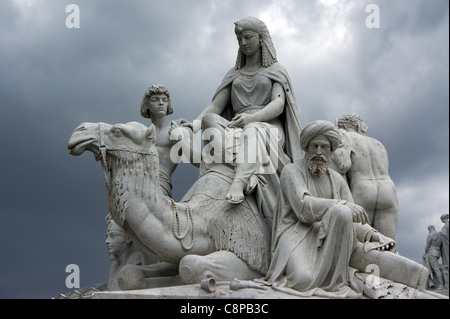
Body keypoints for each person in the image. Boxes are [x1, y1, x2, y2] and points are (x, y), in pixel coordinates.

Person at [263, 120, 428, 298]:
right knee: (302, 280)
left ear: (331, 150)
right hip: (298, 236)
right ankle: (344, 277)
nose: (318, 152)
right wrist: (340, 205)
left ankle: (339, 277)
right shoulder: (291, 171)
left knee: (343, 213)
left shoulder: (337, 179)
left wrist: (372, 234)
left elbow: (353, 217)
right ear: (306, 148)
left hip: (330, 238)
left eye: (324, 147)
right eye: (314, 146)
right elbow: (304, 207)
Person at [191, 17, 302, 217]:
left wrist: (252, 119)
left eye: (248, 37)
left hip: (267, 127)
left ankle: (239, 181)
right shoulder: (234, 74)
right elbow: (215, 106)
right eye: (240, 39)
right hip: (236, 126)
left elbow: (278, 105)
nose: (243, 42)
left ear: (261, 39)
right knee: (210, 122)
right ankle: (246, 169)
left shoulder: (275, 70)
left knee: (252, 130)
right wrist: (193, 125)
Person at [337, 112, 399, 239]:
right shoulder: (377, 143)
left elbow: (342, 166)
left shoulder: (344, 138)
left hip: (363, 188)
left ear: (342, 125)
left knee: (361, 245)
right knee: (389, 246)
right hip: (388, 189)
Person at [140, 84, 201, 197]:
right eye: (155, 99)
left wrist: (180, 139)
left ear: (169, 104)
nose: (161, 103)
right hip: (137, 184)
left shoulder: (180, 127)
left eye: (165, 100)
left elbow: (200, 162)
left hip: (160, 186)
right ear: (147, 104)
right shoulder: (142, 133)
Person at [105, 214, 155, 290]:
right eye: (107, 236)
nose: (107, 241)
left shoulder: (140, 260)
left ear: (128, 238)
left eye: (113, 236)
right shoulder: (115, 265)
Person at [423, 225, 445, 289]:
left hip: (432, 252)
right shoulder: (439, 235)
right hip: (438, 252)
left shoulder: (430, 235)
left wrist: (425, 253)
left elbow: (427, 246)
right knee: (434, 268)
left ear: (429, 229)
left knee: (436, 269)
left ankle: (441, 285)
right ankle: (433, 282)